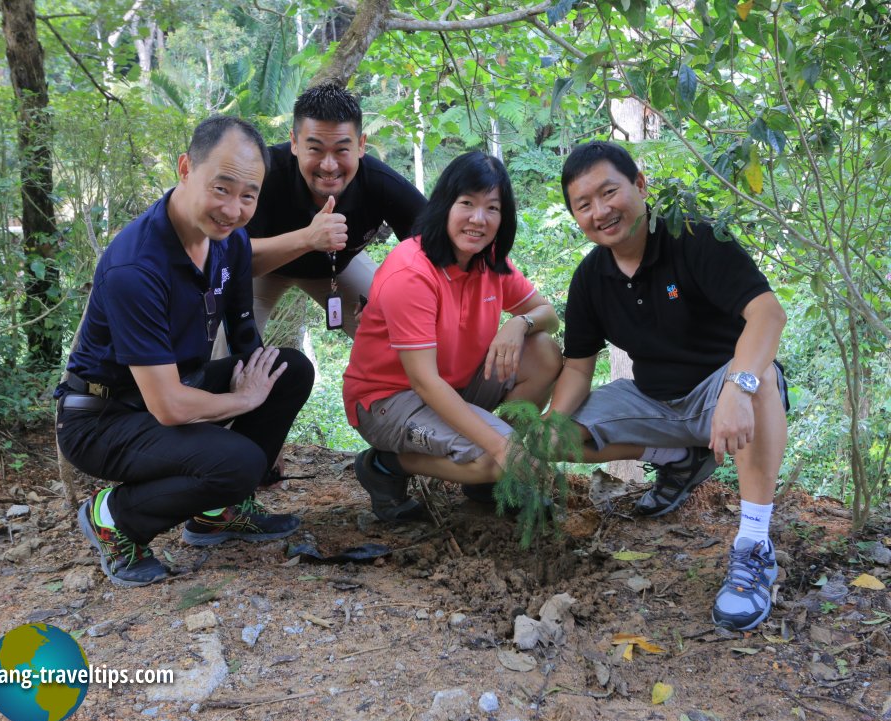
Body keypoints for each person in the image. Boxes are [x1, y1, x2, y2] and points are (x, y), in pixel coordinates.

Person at [55, 115, 315, 588]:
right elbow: (169, 405)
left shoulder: (228, 242)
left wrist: (266, 425)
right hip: (103, 418)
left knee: (287, 369)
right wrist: (244, 402)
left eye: (248, 195)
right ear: (184, 169)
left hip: (171, 391)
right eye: (222, 188)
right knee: (237, 462)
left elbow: (242, 332)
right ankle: (114, 517)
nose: (233, 209)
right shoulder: (137, 266)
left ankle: (217, 511)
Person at [549, 141, 789, 631]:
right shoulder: (591, 277)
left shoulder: (694, 237)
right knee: (557, 435)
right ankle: (679, 460)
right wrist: (546, 425)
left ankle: (754, 546)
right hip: (653, 399)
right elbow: (578, 367)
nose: (601, 211)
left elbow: (768, 312)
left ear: (639, 185)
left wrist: (737, 390)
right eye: (584, 205)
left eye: (609, 192)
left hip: (723, 391)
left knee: (760, 378)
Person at [343, 151, 563, 521]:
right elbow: (425, 383)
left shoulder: (490, 260)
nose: (478, 219)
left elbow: (549, 316)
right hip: (388, 400)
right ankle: (385, 465)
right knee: (495, 458)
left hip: (455, 385)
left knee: (543, 352)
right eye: (467, 204)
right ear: (445, 204)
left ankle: (483, 478)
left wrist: (518, 323)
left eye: (492, 208)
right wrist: (500, 446)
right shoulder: (412, 272)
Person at [246, 82, 427, 338]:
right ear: (294, 143)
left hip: (337, 269)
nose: (329, 166)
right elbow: (230, 255)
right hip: (264, 268)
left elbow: (435, 244)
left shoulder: (380, 182)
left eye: (342, 149)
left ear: (361, 145)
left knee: (393, 326)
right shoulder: (263, 172)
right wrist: (308, 238)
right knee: (228, 353)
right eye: (315, 149)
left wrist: (394, 291)